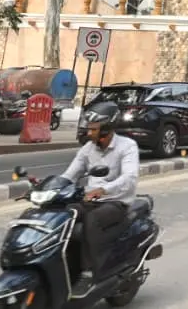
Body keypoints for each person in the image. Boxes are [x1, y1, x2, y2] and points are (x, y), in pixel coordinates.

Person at [61, 101, 140, 292]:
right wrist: (48, 186)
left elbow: (129, 178)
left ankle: (90, 272)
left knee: (92, 220)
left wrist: (103, 190)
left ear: (106, 129)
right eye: (89, 129)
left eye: (94, 129)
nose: (89, 133)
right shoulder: (88, 148)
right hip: (89, 200)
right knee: (63, 214)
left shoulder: (127, 146)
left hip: (116, 202)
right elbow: (69, 175)